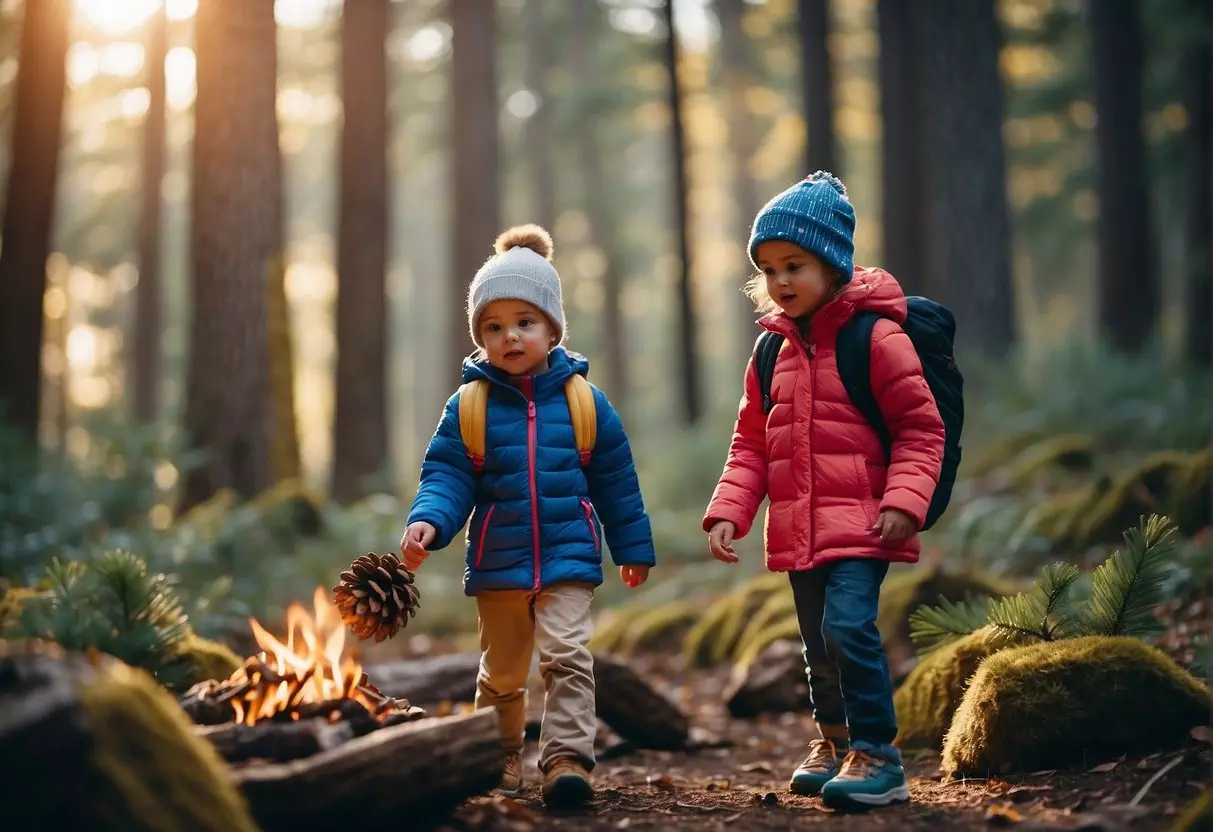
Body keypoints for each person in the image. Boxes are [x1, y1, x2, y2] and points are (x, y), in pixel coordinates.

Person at [703, 172, 945, 810]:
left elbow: (921, 429)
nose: (781, 281)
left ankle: (880, 755)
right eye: (768, 268)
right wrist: (730, 510)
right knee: (816, 641)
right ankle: (834, 741)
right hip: (797, 525)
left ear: (832, 264)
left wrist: (903, 502)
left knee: (849, 628)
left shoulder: (877, 338)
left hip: (865, 521)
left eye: (795, 264)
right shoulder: (770, 352)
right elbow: (752, 443)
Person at [400, 224, 656, 807]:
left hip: (568, 556)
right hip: (499, 560)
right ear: (480, 336)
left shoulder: (585, 402)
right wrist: (430, 522)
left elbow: (616, 481)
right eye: (494, 326)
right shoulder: (470, 405)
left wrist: (632, 548)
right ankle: (498, 757)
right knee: (501, 671)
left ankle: (567, 760)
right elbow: (447, 475)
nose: (509, 336)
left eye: (524, 322)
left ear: (551, 329)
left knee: (568, 657)